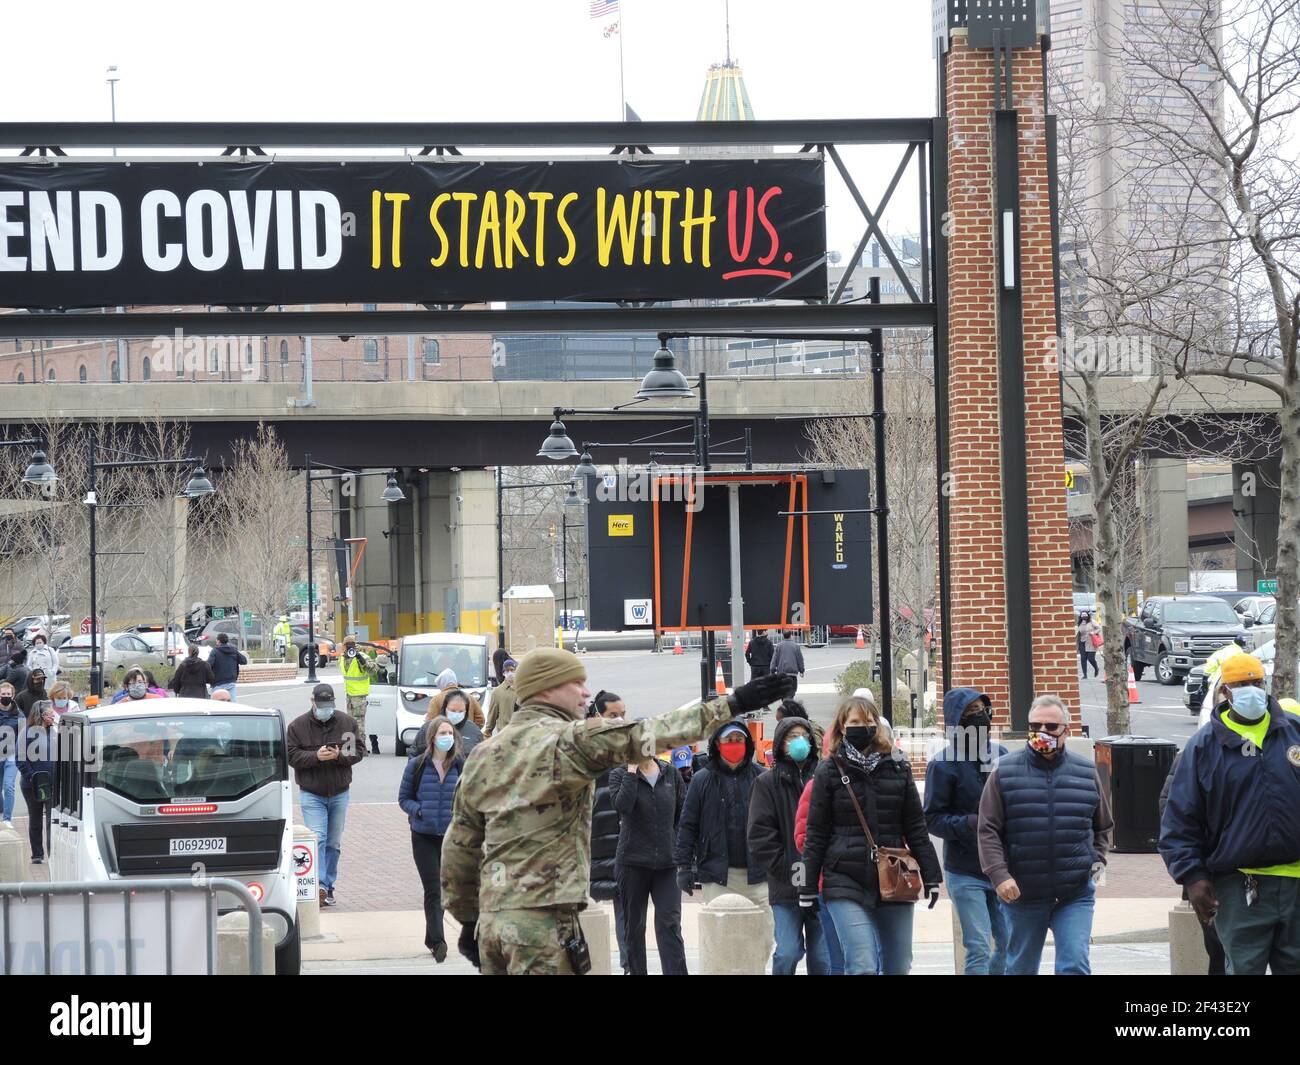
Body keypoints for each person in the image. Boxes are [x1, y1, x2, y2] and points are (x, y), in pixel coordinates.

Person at [440, 647, 795, 975]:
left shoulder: (484, 754)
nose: (584, 692)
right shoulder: (570, 740)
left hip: (494, 923)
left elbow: (459, 847)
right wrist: (733, 704)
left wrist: (469, 920)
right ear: (545, 689)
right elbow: (650, 733)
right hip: (543, 924)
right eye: (575, 683)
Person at [1159, 652, 1300, 975]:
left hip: (1296, 885)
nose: (1251, 690)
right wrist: (1192, 877)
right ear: (1226, 692)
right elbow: (1179, 820)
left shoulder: (1293, 731)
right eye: (1241, 684)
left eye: (1256, 683)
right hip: (1239, 886)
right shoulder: (1203, 747)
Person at [799, 694, 941, 975]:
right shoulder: (828, 771)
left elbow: (915, 828)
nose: (862, 727)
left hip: (894, 876)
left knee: (898, 966)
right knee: (862, 965)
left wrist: (932, 876)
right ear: (841, 726)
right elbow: (815, 834)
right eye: (854, 722)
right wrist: (805, 886)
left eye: (869, 721)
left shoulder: (898, 767)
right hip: (844, 878)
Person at [978, 694, 1112, 975]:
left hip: (1074, 893)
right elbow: (988, 828)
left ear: (1067, 730)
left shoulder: (1086, 772)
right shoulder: (1005, 771)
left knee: (1074, 964)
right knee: (1021, 968)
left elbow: (1103, 825)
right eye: (1035, 725)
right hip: (1023, 894)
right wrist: (999, 875)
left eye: (1051, 727)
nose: (1042, 733)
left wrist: (1095, 861)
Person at [924, 687, 1009, 975]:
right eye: (971, 712)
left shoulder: (1002, 755)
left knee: (1010, 942)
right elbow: (932, 819)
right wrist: (971, 824)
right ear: (956, 720)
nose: (980, 717)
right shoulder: (942, 764)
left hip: (1002, 869)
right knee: (979, 946)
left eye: (982, 710)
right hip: (964, 870)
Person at [674, 721, 773, 955]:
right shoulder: (701, 780)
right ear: (718, 745)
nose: (734, 745)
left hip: (758, 875)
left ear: (747, 743)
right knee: (722, 944)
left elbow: (775, 824)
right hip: (718, 876)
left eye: (739, 740)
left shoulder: (762, 777)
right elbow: (688, 825)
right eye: (729, 740)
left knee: (765, 940)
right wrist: (683, 867)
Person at [748, 713, 829, 975]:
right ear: (781, 742)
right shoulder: (766, 783)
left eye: (804, 736)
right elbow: (760, 835)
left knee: (823, 956)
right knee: (788, 950)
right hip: (786, 883)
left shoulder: (824, 777)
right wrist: (787, 869)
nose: (799, 742)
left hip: (820, 882)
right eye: (793, 737)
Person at [610, 736, 688, 976]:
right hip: (632, 862)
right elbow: (622, 806)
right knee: (634, 926)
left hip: (667, 864)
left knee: (669, 923)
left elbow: (681, 814)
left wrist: (675, 846)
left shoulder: (670, 773)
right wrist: (632, 772)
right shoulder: (619, 774)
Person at [287, 683, 365, 907]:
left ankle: (329, 885)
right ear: (312, 701)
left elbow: (358, 751)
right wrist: (316, 757)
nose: (325, 709)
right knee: (318, 837)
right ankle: (318, 885)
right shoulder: (297, 726)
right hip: (312, 792)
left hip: (340, 791)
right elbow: (291, 756)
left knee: (333, 843)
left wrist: (340, 755)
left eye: (328, 705)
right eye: (321, 705)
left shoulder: (346, 723)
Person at [398, 714, 463, 962]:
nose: (447, 737)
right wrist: (419, 810)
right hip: (423, 836)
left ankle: (430, 937)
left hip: (450, 837)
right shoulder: (416, 765)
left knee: (444, 889)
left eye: (450, 733)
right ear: (432, 738)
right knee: (433, 889)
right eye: (442, 733)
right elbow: (404, 798)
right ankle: (438, 941)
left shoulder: (459, 765)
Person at [587, 691, 629, 973]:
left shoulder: (630, 749)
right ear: (596, 717)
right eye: (613, 715)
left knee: (627, 914)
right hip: (589, 842)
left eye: (621, 714)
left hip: (623, 841)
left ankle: (630, 966)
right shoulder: (580, 750)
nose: (619, 720)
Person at [17, 700, 56, 863]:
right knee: (35, 819)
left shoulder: (55, 732)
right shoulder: (26, 733)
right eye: (49, 714)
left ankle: (52, 853)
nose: (52, 716)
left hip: (52, 783)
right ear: (39, 715)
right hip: (32, 784)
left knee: (52, 820)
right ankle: (37, 854)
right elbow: (20, 759)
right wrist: (32, 776)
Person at [340, 634, 381, 754]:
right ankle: (353, 748)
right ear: (344, 646)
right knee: (350, 722)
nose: (349, 648)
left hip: (359, 695)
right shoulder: (343, 658)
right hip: (349, 695)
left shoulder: (362, 656)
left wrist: (361, 660)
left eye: (351, 645)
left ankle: (361, 748)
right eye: (347, 645)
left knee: (358, 722)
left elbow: (374, 670)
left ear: (355, 645)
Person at [415, 689, 483, 759]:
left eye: (461, 711)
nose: (456, 714)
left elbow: (482, 758)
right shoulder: (428, 728)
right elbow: (415, 754)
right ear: (445, 708)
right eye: (452, 710)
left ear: (466, 711)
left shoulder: (473, 730)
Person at [0, 683, 21, 829]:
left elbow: (25, 735)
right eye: (3, 694)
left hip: (11, 756)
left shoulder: (19, 714)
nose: (5, 697)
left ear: (12, 696)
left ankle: (7, 819)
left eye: (8, 694)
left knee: (8, 786)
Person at [484, 659, 519, 737]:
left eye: (512, 670)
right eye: (507, 670)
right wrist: (487, 733)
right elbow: (492, 715)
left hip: (520, 734)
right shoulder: (497, 692)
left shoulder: (523, 689)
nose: (510, 673)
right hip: (504, 735)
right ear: (503, 673)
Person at [209, 632, 247, 700]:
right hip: (230, 681)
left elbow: (209, 664)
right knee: (232, 704)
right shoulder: (233, 650)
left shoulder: (215, 651)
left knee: (216, 704)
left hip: (217, 682)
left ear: (218, 641)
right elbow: (244, 661)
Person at [1076, 613, 1100, 679]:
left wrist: (1093, 632)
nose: (1084, 617)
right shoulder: (1080, 623)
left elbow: (1098, 628)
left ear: (1088, 615)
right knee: (1083, 659)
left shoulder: (1092, 622)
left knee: (1091, 658)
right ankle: (1085, 675)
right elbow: (1079, 632)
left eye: (1085, 615)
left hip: (1091, 642)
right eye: (1082, 615)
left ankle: (1096, 668)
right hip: (1082, 643)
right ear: (1080, 616)